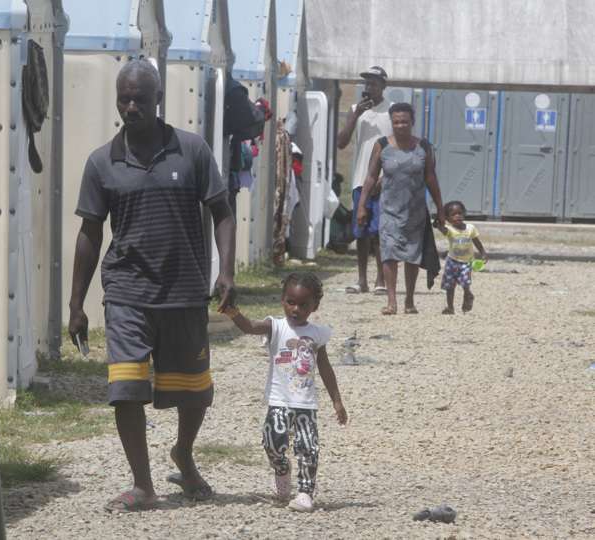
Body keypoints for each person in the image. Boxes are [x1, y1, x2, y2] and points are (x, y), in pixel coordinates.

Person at [68, 59, 237, 512]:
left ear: (158, 99)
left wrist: (226, 271)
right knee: (126, 387)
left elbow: (222, 211)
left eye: (139, 99)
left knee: (194, 392)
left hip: (183, 289)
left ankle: (183, 452)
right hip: (126, 291)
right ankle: (143, 485)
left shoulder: (193, 151)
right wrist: (76, 304)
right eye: (124, 98)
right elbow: (89, 232)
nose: (130, 106)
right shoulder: (102, 162)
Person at [223, 273, 348, 512]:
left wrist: (337, 401)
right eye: (291, 302)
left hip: (306, 404)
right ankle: (282, 471)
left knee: (308, 447)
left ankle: (305, 492)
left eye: (303, 304)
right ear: (282, 300)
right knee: (272, 442)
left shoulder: (318, 334)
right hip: (278, 400)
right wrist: (232, 312)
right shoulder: (276, 326)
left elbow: (325, 367)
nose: (296, 309)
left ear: (315, 306)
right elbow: (249, 327)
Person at [357, 102, 446, 315]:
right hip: (388, 210)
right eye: (396, 122)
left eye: (405, 121)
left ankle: (409, 299)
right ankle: (391, 301)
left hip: (415, 211)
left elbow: (431, 178)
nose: (400, 125)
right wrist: (362, 205)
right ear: (391, 123)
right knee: (389, 253)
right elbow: (370, 177)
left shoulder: (423, 147)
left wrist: (440, 209)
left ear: (412, 122)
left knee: (412, 255)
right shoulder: (381, 145)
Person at [336, 66, 391, 295]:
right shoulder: (354, 110)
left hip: (383, 179)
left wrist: (386, 175)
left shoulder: (392, 111)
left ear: (383, 87)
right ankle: (361, 280)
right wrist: (355, 116)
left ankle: (380, 280)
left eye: (374, 83)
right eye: (366, 83)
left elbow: (397, 145)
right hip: (360, 177)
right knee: (361, 231)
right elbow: (341, 142)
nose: (369, 87)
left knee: (379, 232)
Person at [436, 201, 488, 314]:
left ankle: (468, 296)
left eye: (460, 213)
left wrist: (483, 253)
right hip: (452, 261)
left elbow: (476, 242)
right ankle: (450, 307)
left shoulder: (470, 228)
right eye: (453, 214)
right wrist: (438, 224)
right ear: (448, 219)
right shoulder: (450, 230)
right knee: (450, 286)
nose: (457, 216)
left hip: (466, 262)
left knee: (465, 283)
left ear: (464, 214)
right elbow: (442, 229)